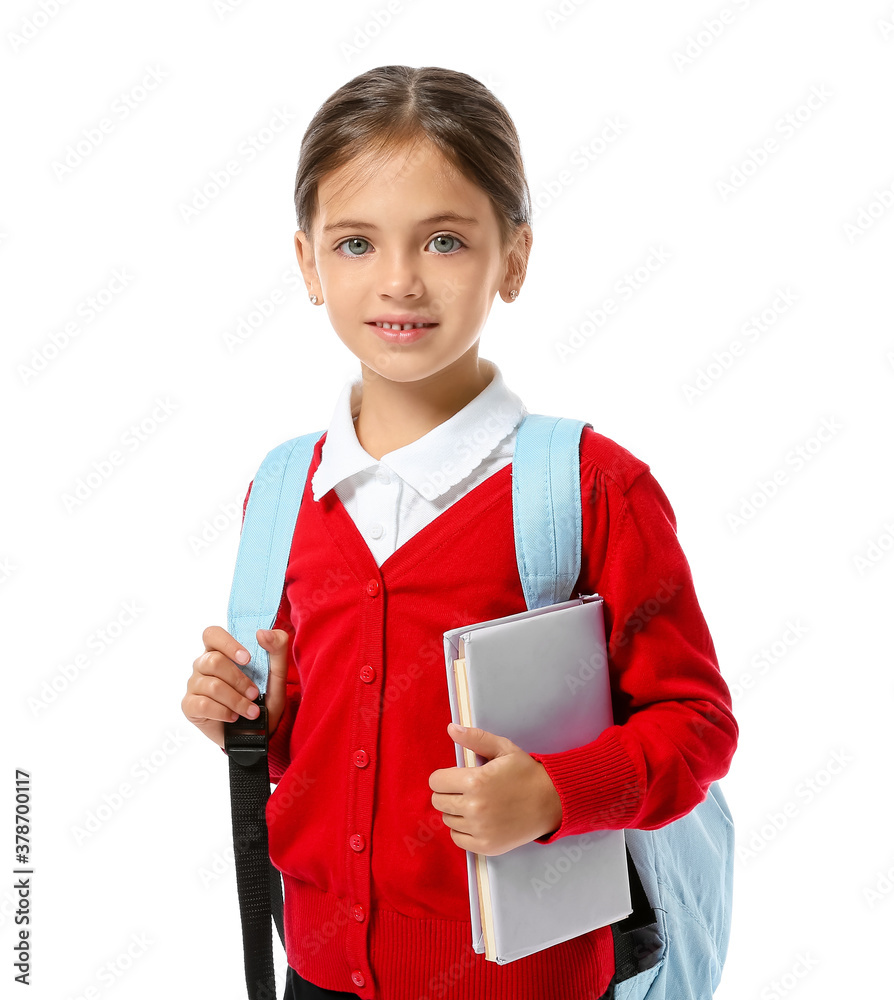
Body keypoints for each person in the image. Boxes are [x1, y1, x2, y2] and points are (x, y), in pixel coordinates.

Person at [182, 65, 738, 1000]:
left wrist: (561, 790)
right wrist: (259, 724)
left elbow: (698, 727)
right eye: (355, 243)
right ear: (308, 264)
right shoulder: (282, 489)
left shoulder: (594, 488)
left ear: (513, 258)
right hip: (320, 971)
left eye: (444, 239)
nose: (398, 280)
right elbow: (333, 745)